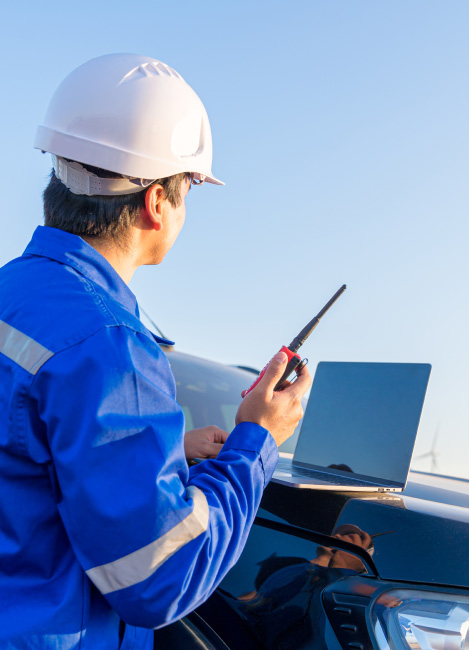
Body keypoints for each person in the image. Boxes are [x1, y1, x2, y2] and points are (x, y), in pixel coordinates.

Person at [0, 53, 311, 649]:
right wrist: (256, 441)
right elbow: (160, 579)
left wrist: (167, 455)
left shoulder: (13, 293)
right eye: (189, 185)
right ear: (156, 203)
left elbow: (30, 464)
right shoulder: (109, 344)